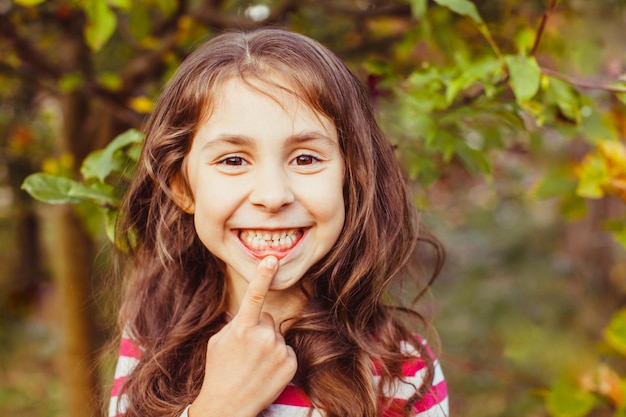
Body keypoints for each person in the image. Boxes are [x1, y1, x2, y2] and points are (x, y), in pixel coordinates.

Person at [108, 27, 449, 417]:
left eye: (305, 159)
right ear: (183, 188)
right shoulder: (152, 338)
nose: (272, 196)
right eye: (233, 160)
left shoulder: (400, 372)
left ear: (350, 180)